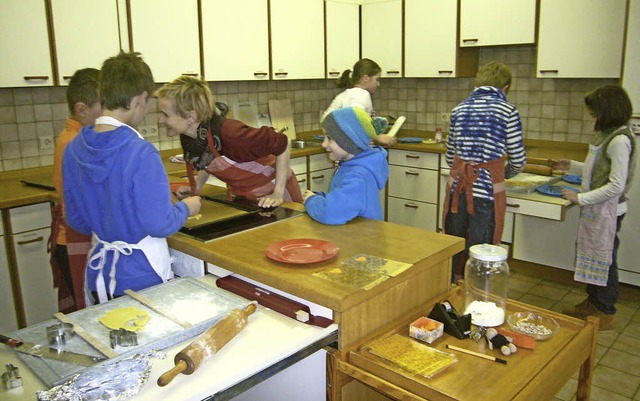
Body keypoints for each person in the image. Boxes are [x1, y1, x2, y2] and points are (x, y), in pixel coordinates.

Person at [63, 52, 202, 305]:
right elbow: (159, 224)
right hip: (142, 278)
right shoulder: (141, 152)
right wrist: (186, 208)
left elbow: (76, 220)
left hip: (100, 275)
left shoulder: (74, 148)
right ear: (140, 98)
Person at [555, 85, 636, 331]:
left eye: (595, 112)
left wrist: (581, 198)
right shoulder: (609, 135)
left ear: (608, 110)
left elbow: (615, 185)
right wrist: (572, 165)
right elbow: (597, 168)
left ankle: (605, 310)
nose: (593, 117)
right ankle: (594, 302)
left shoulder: (620, 140)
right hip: (598, 210)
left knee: (605, 259)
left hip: (609, 212)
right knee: (595, 255)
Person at [155, 75, 302, 208]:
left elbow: (284, 143)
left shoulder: (232, 133)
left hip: (279, 194)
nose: (160, 120)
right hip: (249, 196)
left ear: (190, 117)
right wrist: (195, 189)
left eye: (165, 114)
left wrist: (277, 194)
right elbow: (207, 161)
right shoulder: (191, 136)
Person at [442, 61, 526, 283]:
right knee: (480, 250)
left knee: (454, 243)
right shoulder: (508, 111)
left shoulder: (458, 110)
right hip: (486, 192)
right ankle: (475, 295)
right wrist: (504, 174)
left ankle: (450, 290)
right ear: (505, 87)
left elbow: (451, 156)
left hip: (457, 190)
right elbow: (518, 158)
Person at [49, 68, 101, 312]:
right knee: (87, 314)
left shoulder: (79, 137)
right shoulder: (74, 143)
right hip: (73, 240)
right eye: (103, 105)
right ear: (82, 109)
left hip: (76, 237)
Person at [303, 107, 388, 225]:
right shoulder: (353, 166)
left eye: (329, 138)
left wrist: (312, 201)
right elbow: (344, 199)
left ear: (348, 141)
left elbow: (330, 213)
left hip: (362, 240)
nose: (323, 144)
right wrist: (323, 198)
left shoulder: (357, 176)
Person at [321, 58, 397, 147]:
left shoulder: (345, 94)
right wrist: (377, 137)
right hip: (351, 150)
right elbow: (353, 121)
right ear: (366, 78)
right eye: (377, 79)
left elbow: (325, 122)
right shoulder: (362, 95)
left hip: (340, 149)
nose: (378, 84)